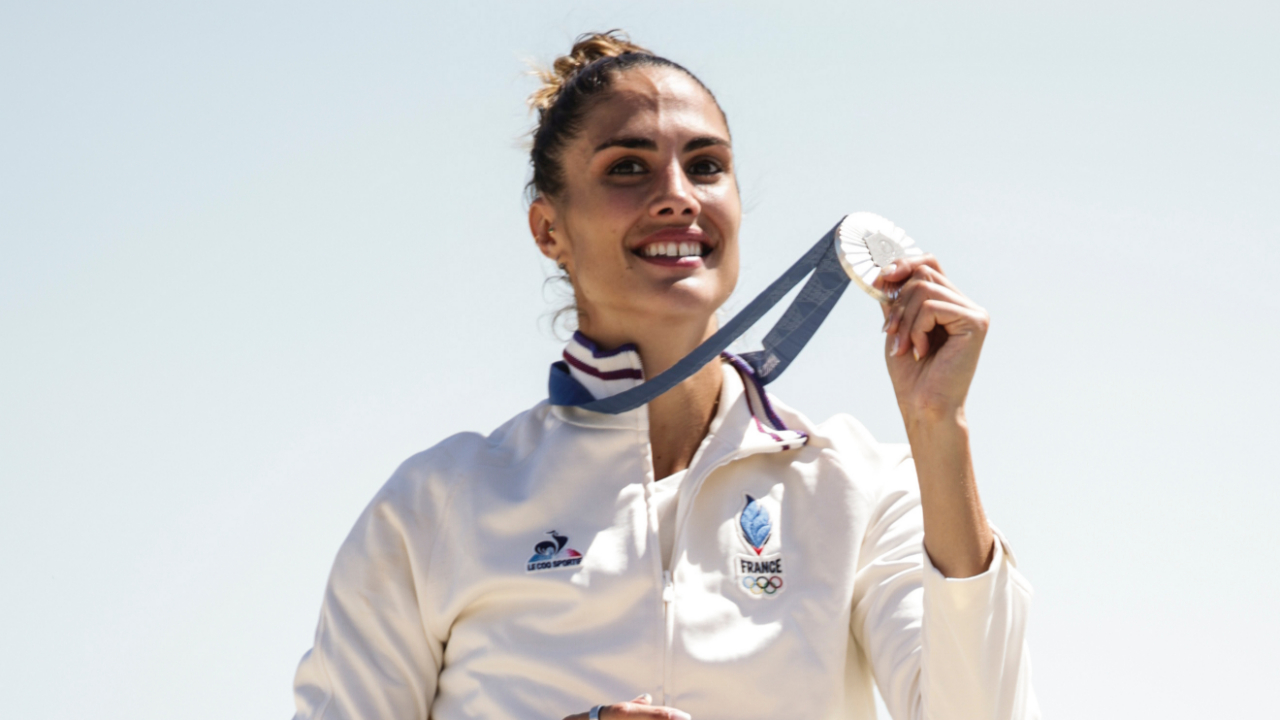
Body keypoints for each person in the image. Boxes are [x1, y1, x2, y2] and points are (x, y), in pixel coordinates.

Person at [292, 30, 1038, 720]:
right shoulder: (437, 504)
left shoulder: (862, 486)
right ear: (549, 229)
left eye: (706, 166)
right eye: (628, 167)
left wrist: (939, 428)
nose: (679, 194)